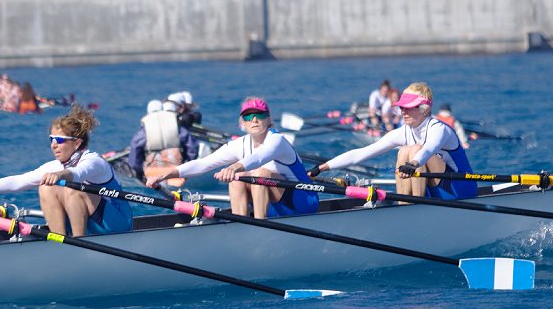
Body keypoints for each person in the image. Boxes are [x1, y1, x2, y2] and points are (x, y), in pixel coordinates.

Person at [0, 104, 132, 237]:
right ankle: (59, 240)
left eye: (60, 140)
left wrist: (59, 175)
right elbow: (19, 181)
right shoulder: (55, 166)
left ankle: (78, 243)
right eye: (51, 139)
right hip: (92, 222)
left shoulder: (93, 161)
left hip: (117, 223)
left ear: (77, 143)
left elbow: (78, 174)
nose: (54, 145)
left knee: (73, 187)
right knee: (46, 187)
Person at [147, 97, 318, 219]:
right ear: (242, 123)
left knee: (259, 173)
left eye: (260, 115)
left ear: (268, 120)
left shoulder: (277, 140)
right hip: (274, 205)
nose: (254, 120)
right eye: (248, 117)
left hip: (303, 201)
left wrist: (234, 167)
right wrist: (166, 175)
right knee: (237, 179)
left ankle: (259, 225)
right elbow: (203, 164)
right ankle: (241, 224)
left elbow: (259, 157)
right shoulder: (240, 144)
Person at [310, 82, 477, 199]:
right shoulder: (404, 132)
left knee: (413, 149)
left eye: (409, 107)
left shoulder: (439, 129)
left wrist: (413, 163)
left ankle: (415, 208)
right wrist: (322, 167)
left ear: (425, 109)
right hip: (435, 190)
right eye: (402, 107)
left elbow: (428, 149)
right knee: (404, 151)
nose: (403, 111)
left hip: (460, 189)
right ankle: (405, 204)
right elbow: (362, 153)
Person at [127, 100, 200, 183]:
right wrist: (187, 163)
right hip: (175, 170)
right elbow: (192, 147)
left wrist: (138, 171)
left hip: (152, 172)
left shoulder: (145, 130)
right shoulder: (177, 127)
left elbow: (136, 148)